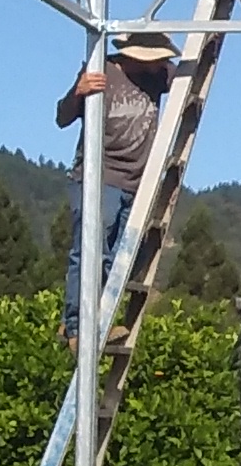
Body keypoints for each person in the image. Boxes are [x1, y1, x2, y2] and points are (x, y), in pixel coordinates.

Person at [51, 28, 181, 329]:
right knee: (91, 251)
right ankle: (76, 325)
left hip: (139, 183)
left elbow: (195, 72)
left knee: (126, 258)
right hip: (99, 177)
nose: (156, 64)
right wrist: (78, 92)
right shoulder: (101, 70)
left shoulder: (160, 75)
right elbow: (62, 117)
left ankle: (101, 320)